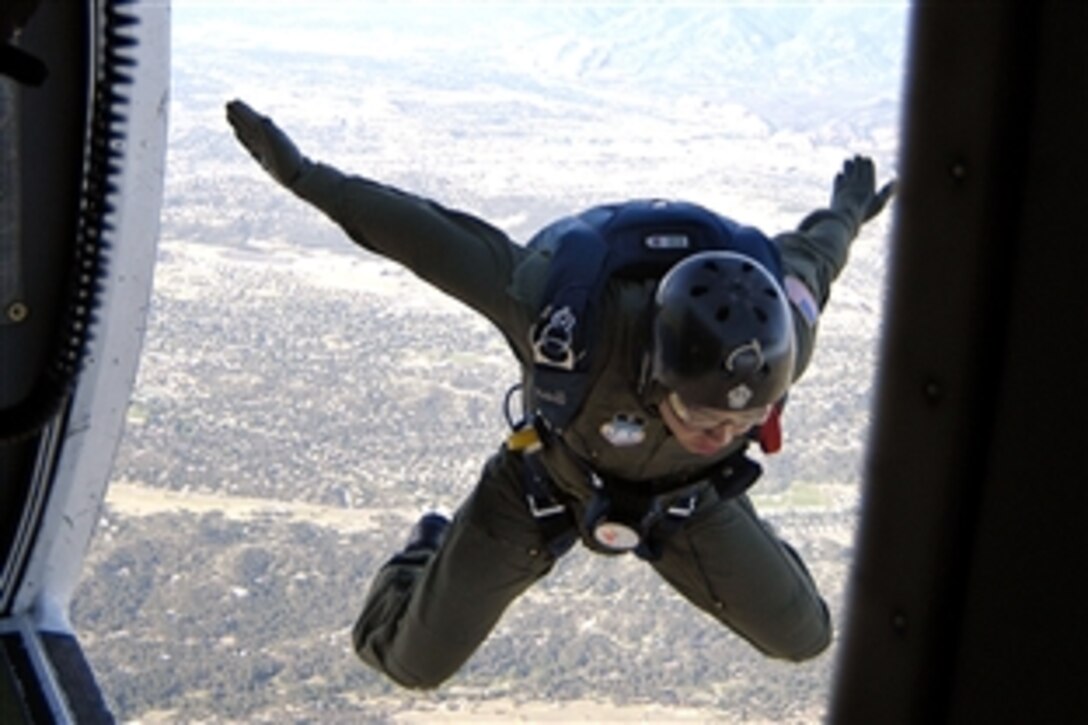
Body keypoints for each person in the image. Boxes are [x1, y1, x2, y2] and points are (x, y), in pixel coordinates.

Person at [225, 99, 894, 690]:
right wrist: (304, 177)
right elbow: (430, 239)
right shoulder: (574, 328)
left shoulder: (777, 344)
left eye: (744, 420)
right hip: (545, 482)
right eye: (701, 413)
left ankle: (742, 539)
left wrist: (846, 212)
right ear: (660, 369)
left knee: (803, 635)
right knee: (409, 662)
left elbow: (813, 257)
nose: (720, 435)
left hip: (685, 500)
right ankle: (424, 546)